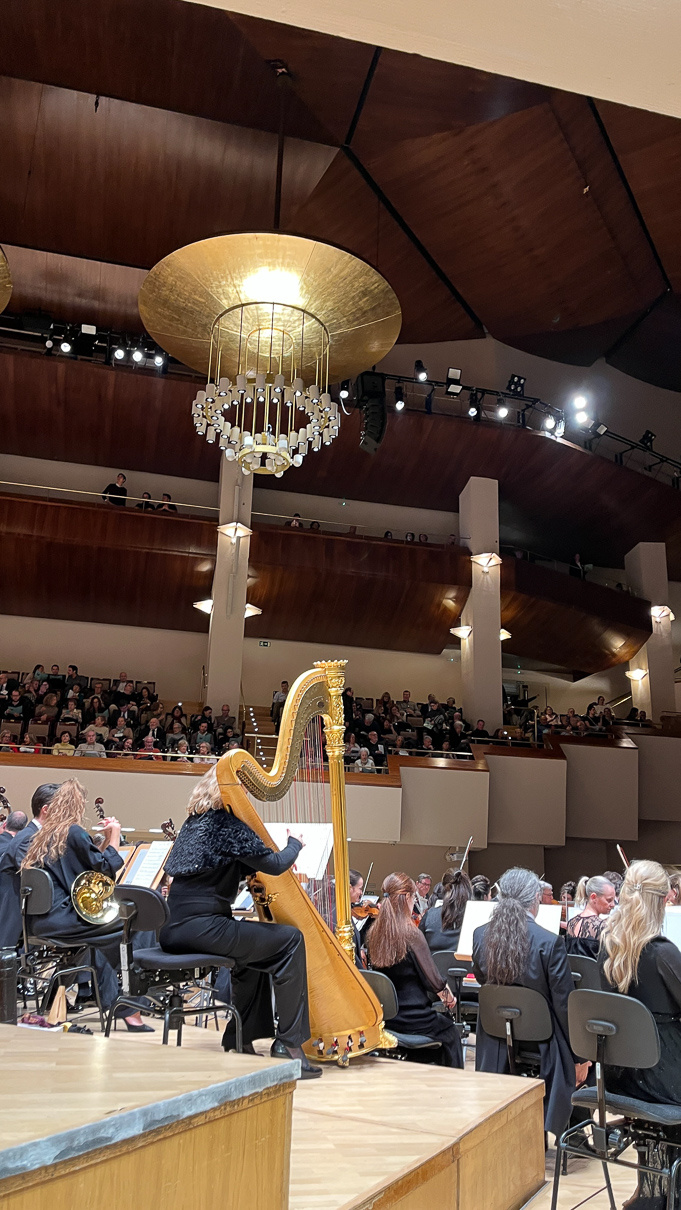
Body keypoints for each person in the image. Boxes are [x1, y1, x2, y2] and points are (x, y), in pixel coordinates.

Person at [159, 768, 320, 1077]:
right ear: (230, 792)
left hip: (172, 929)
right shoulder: (228, 825)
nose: (247, 796)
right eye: (244, 790)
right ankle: (289, 1044)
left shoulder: (194, 824)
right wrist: (294, 844)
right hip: (205, 929)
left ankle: (240, 1037)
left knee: (254, 956)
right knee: (290, 940)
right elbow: (275, 864)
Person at [20, 778, 149, 1029]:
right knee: (137, 926)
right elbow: (105, 870)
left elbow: (84, 866)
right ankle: (133, 1008)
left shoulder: (45, 835)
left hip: (42, 923)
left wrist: (100, 843)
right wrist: (115, 835)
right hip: (65, 920)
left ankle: (118, 1003)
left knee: (108, 936)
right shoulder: (73, 831)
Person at [473, 867, 589, 1135]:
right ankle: (574, 1136)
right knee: (586, 1059)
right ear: (535, 899)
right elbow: (564, 1005)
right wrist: (580, 1056)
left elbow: (482, 982)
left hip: (497, 1038)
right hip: (543, 1043)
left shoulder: (480, 935)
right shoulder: (549, 942)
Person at [599, 860, 681, 1209]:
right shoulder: (663, 952)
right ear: (662, 902)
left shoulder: (608, 949)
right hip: (666, 1081)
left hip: (621, 1077)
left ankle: (651, 1192)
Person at [367, 872, 462, 1067]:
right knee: (451, 1031)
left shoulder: (373, 933)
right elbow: (432, 980)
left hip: (388, 1018)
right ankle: (453, 1087)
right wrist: (449, 998)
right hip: (415, 1018)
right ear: (408, 898)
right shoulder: (411, 933)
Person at [0, 782, 59, 947]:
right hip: (15, 919)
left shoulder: (32, 835)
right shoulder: (29, 837)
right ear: (45, 810)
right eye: (61, 808)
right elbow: (35, 878)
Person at [419, 869, 472, 953]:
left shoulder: (430, 915)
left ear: (443, 888)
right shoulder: (475, 916)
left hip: (434, 965)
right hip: (467, 965)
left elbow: (419, 948)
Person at [565, 874, 616, 956]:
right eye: (609, 900)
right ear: (593, 897)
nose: (613, 905)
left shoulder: (571, 923)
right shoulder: (602, 927)